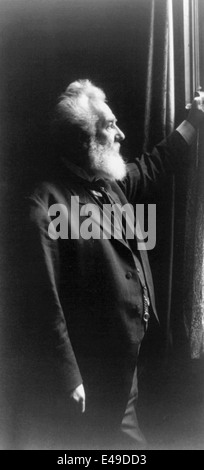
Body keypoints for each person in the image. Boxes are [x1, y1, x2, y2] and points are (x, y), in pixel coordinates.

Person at [20, 80, 204, 450]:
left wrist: (195, 120)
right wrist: (68, 377)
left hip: (126, 369)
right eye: (110, 126)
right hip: (91, 379)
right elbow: (43, 300)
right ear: (84, 138)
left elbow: (155, 165)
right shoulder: (46, 203)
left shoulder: (109, 186)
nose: (120, 134)